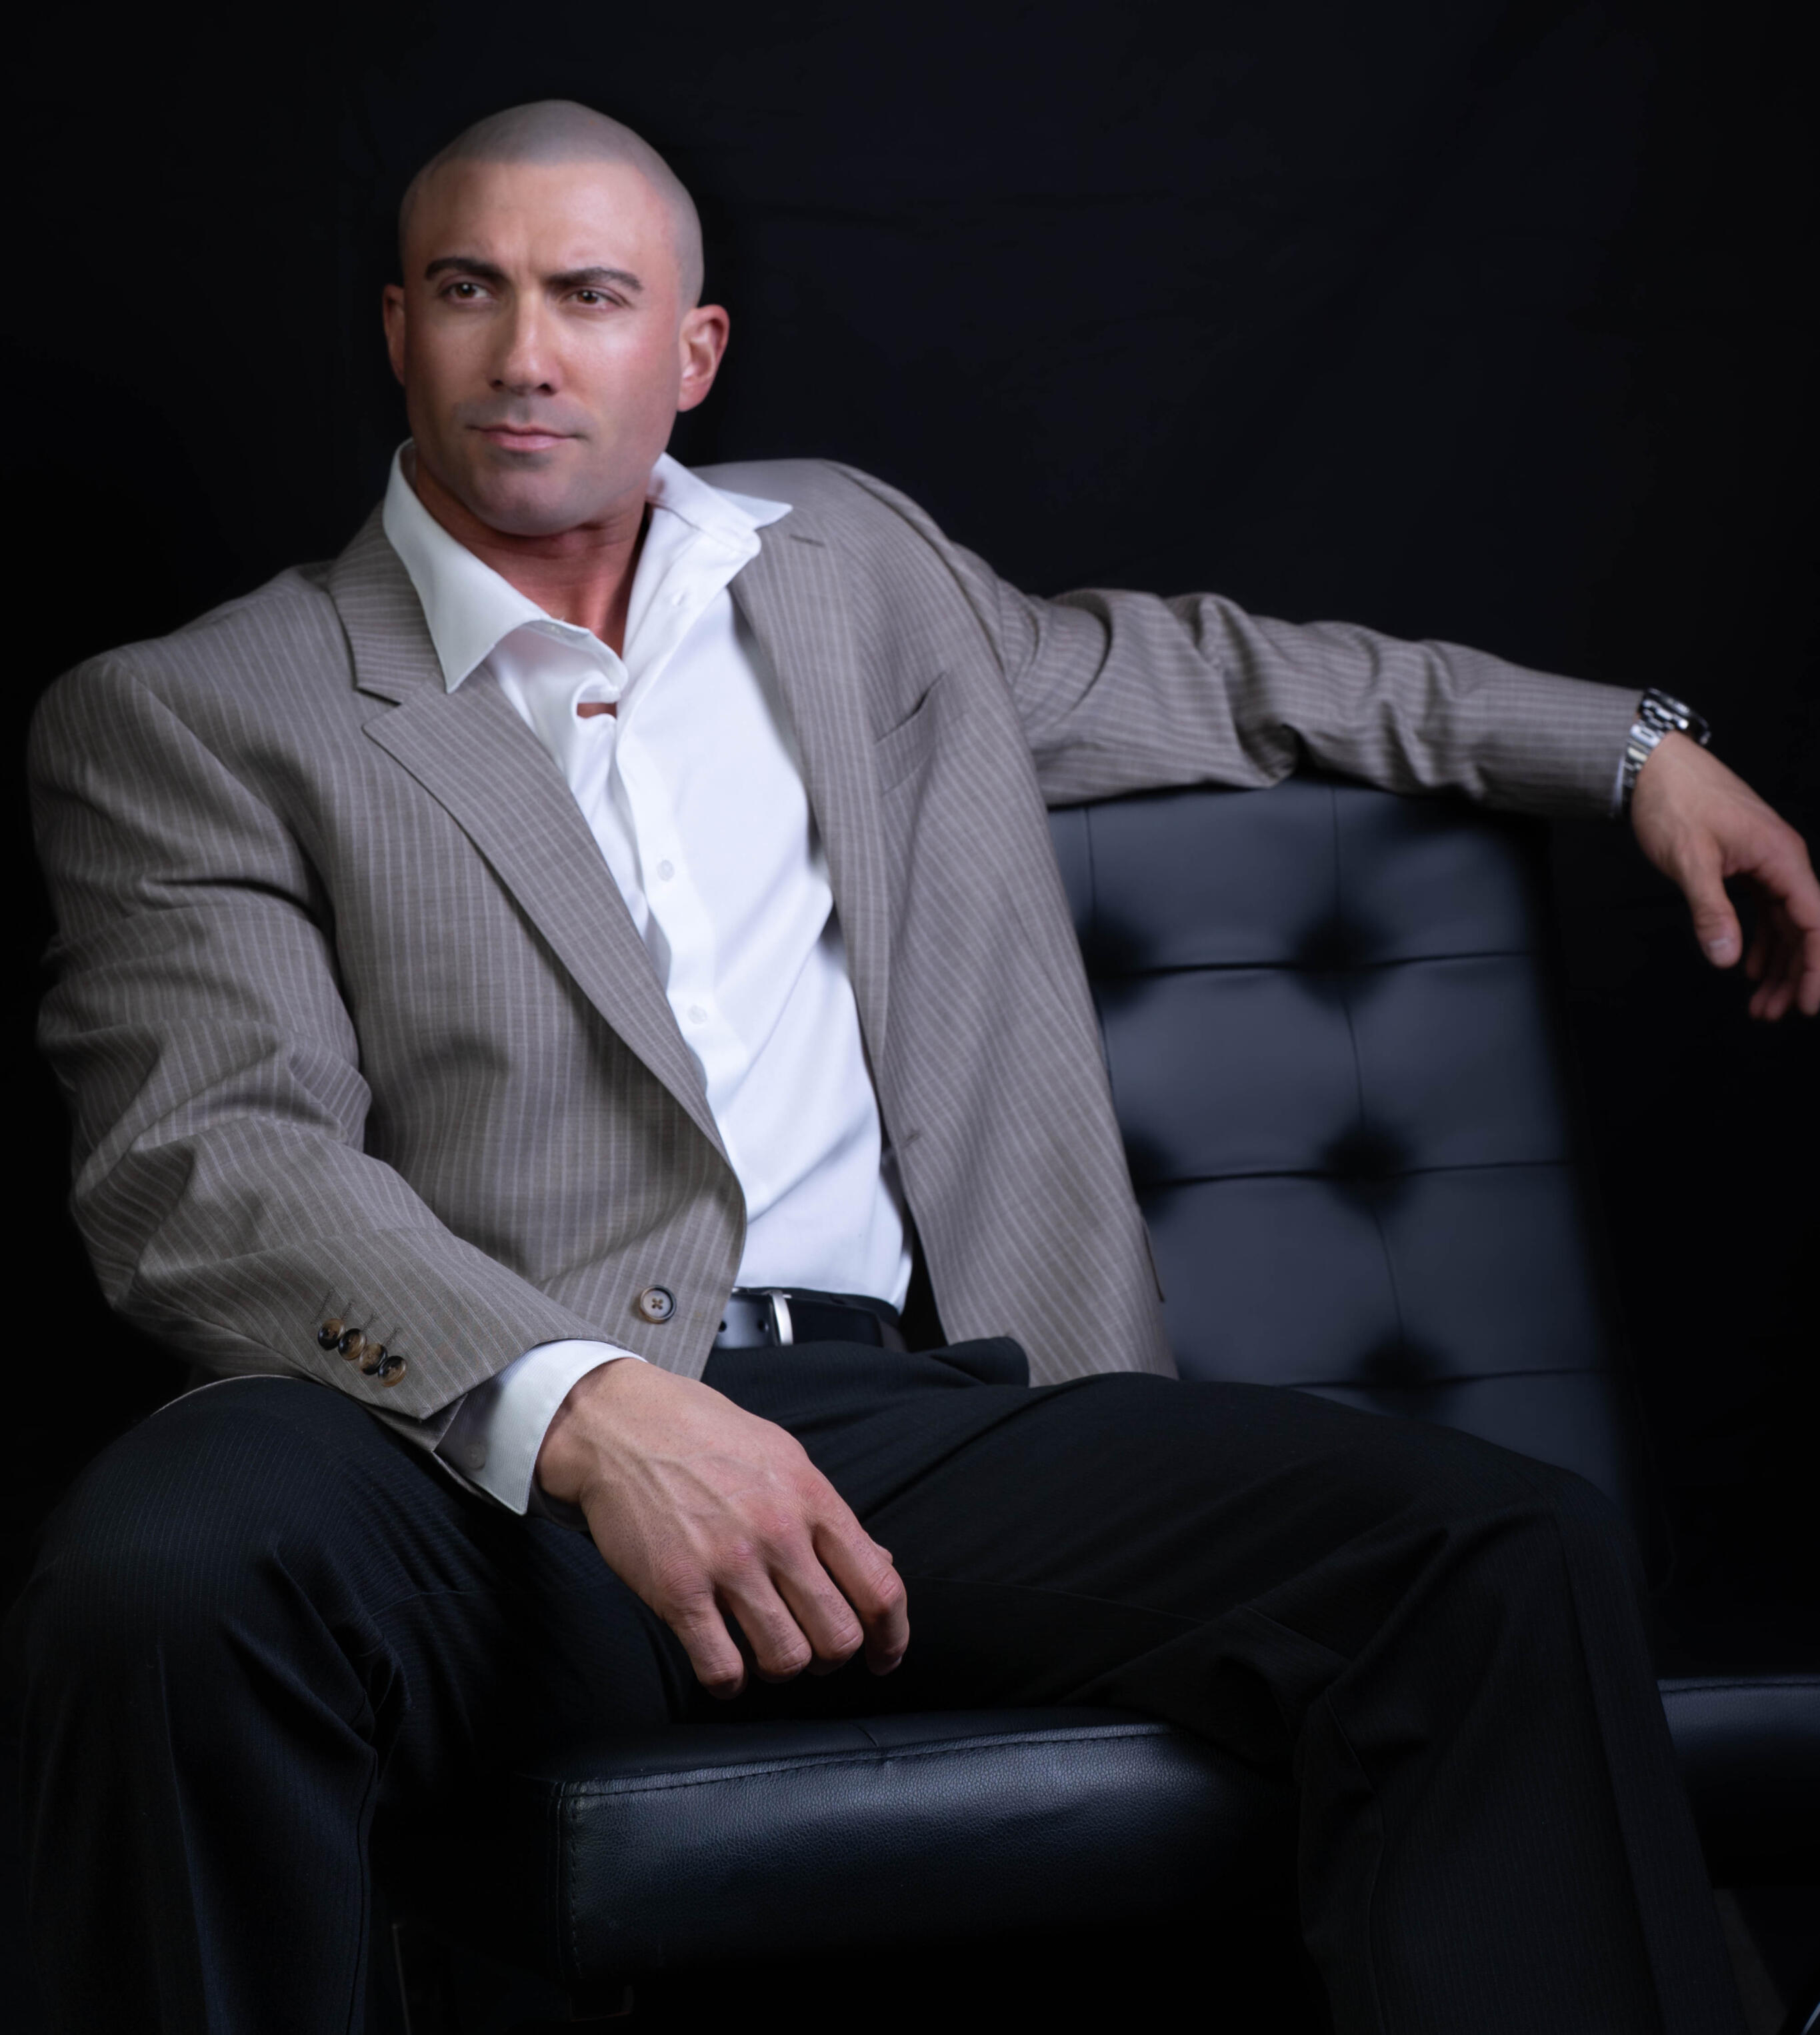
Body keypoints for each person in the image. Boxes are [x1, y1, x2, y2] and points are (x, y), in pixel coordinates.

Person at [10, 98, 1816, 2034]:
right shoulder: (201, 711)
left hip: (911, 1429)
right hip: (475, 1467)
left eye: (590, 297)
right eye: (472, 290)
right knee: (171, 1562)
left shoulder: (849, 568)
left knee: (1493, 1548)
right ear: (397, 329)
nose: (525, 354)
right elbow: (215, 1162)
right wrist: (592, 1406)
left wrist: (1628, 747)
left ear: (688, 352)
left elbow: (1210, 673)